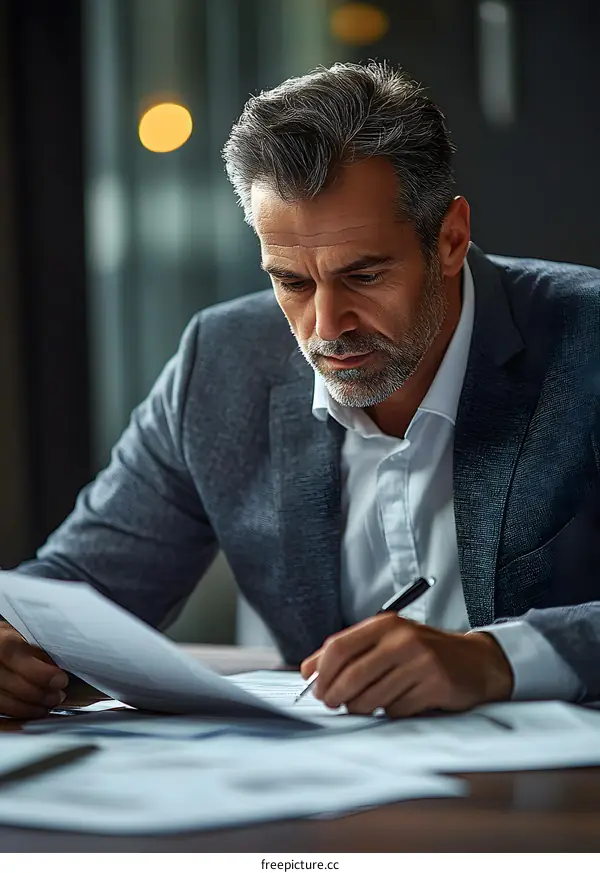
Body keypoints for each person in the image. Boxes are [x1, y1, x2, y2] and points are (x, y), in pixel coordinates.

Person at [2, 61, 600, 721]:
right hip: (329, 806)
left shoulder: (588, 337)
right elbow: (75, 592)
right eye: (291, 281)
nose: (326, 326)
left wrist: (499, 658)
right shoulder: (223, 362)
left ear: (450, 238)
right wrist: (14, 648)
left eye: (365, 275)